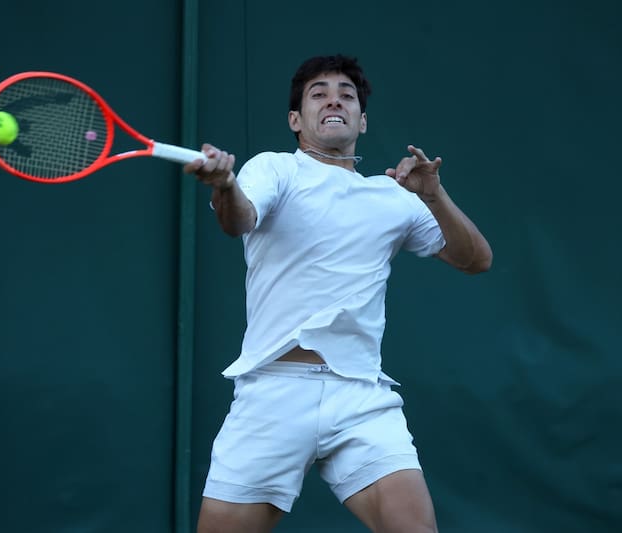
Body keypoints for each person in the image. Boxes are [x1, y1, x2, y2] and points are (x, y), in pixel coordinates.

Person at [184, 54, 492, 533]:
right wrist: (225, 183)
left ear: (361, 121)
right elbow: (238, 218)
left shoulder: (392, 197)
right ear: (296, 119)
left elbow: (476, 259)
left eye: (346, 94)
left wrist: (433, 195)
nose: (334, 100)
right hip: (274, 392)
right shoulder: (275, 169)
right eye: (318, 93)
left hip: (361, 397)